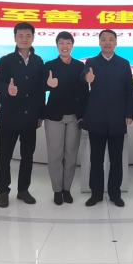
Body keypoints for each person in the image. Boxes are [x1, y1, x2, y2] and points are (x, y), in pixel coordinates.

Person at [81, 30, 133, 207]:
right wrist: (87, 78)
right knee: (95, 159)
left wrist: (130, 114)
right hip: (96, 118)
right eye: (103, 39)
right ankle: (96, 194)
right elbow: (83, 76)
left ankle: (115, 194)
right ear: (99, 42)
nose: (107, 42)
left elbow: (129, 90)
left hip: (118, 119)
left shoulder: (124, 63)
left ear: (116, 43)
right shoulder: (91, 62)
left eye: (111, 39)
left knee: (116, 159)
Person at [0, 22, 46, 208]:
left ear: (33, 37)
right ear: (15, 37)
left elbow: (40, 90)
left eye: (28, 36)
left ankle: (23, 190)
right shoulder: (6, 60)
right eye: (20, 36)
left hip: (30, 117)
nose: (24, 39)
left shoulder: (38, 61)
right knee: (5, 157)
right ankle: (3, 191)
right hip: (9, 117)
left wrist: (40, 114)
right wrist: (6, 90)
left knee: (27, 157)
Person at [43, 32, 88, 205]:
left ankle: (66, 189)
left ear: (72, 45)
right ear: (57, 46)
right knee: (55, 155)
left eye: (68, 43)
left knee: (71, 155)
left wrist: (82, 115)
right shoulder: (49, 65)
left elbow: (84, 93)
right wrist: (48, 84)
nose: (65, 46)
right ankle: (57, 190)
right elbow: (39, 87)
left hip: (74, 117)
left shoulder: (79, 66)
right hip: (54, 116)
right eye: (61, 43)